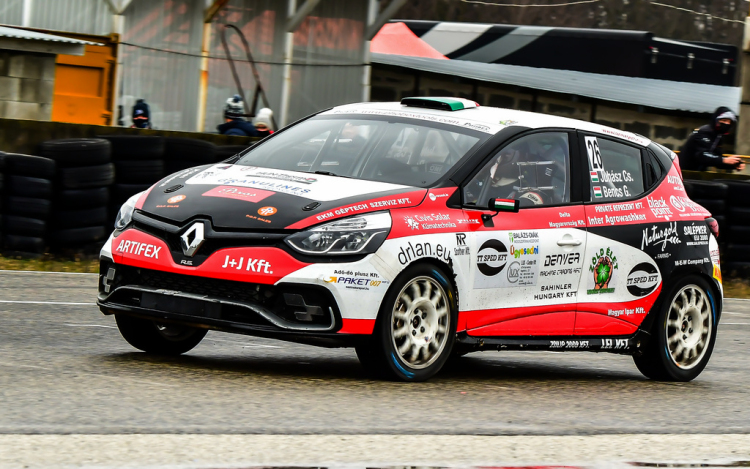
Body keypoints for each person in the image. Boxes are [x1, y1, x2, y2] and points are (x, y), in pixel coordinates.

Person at [679, 106, 745, 172]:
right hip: (683, 171)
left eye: (730, 122)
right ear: (716, 120)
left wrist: (733, 164)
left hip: (697, 173)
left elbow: (716, 159)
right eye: (724, 120)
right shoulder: (704, 132)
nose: (727, 124)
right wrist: (724, 160)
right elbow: (702, 155)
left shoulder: (718, 136)